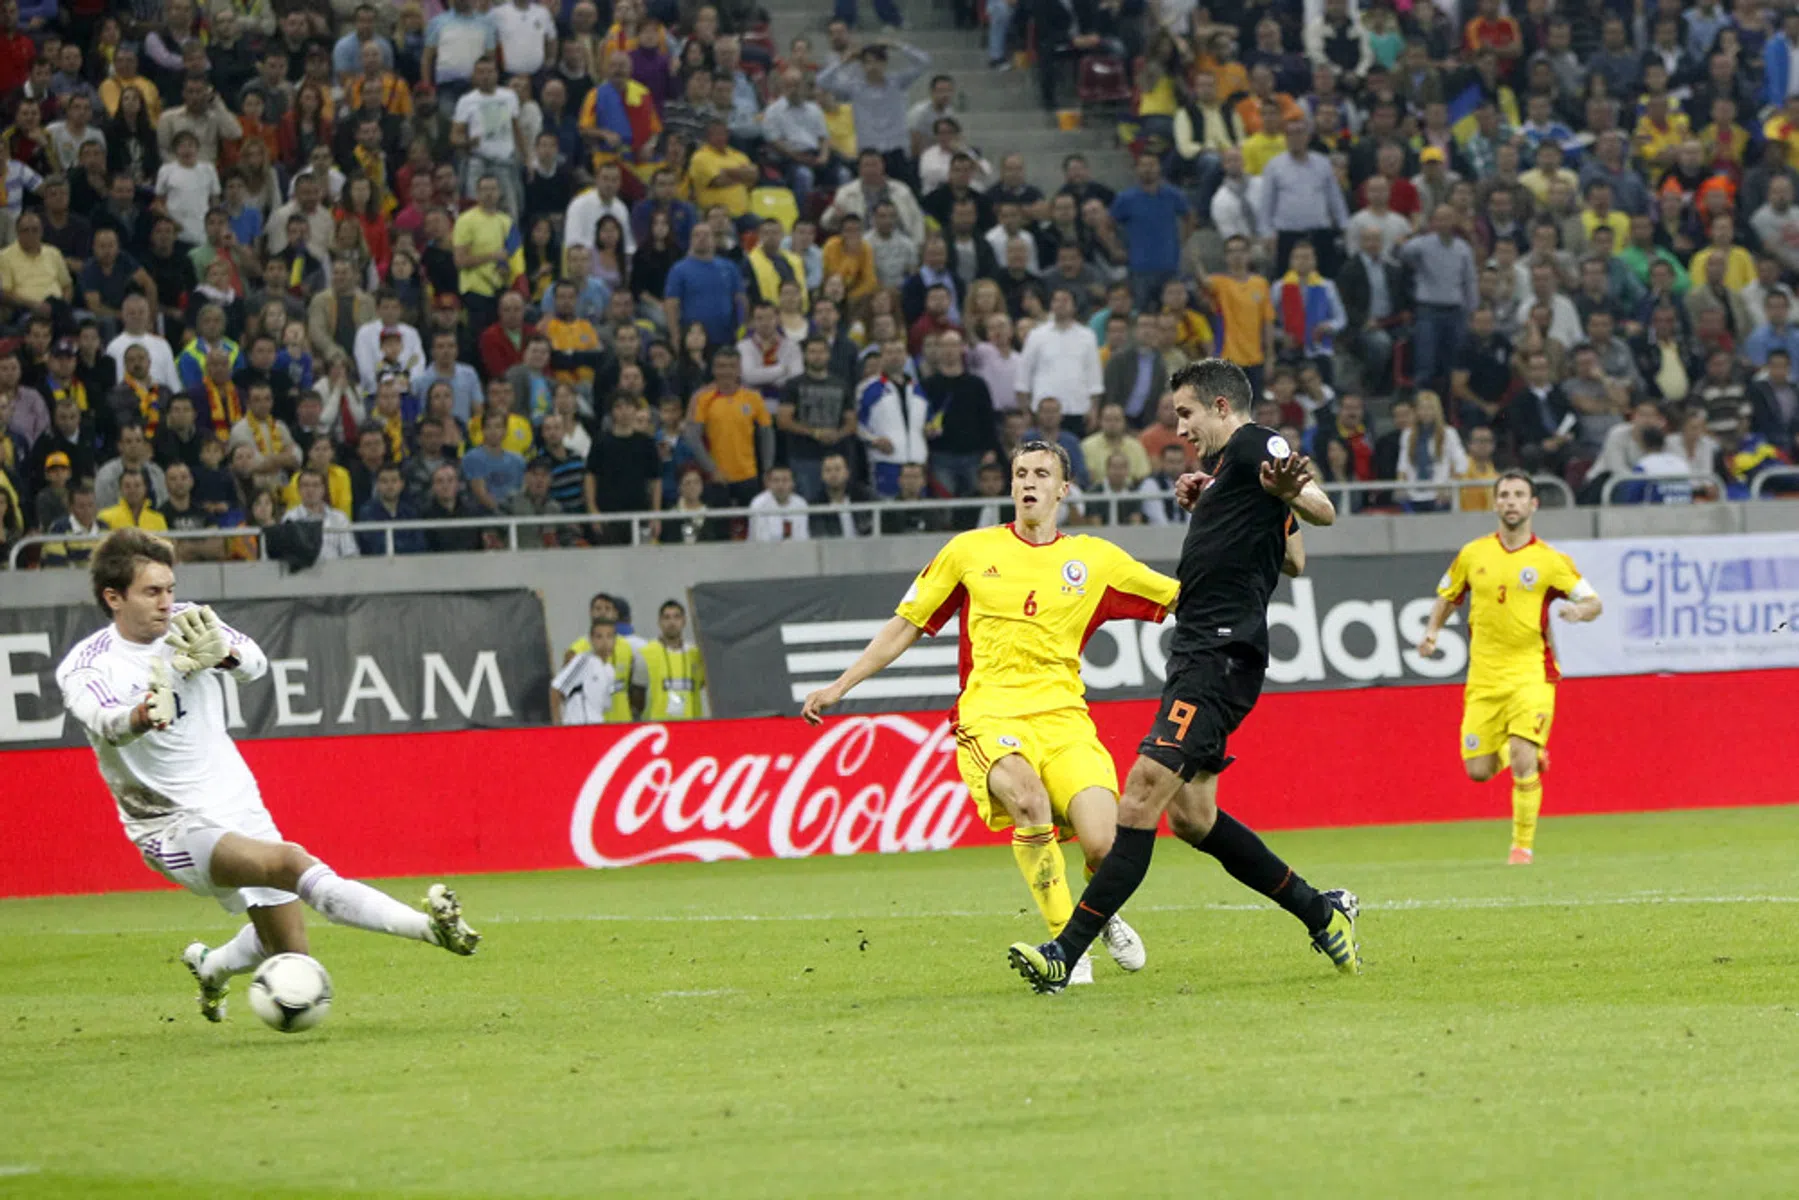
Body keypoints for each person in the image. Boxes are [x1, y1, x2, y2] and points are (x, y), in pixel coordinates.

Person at [1008, 359, 1359, 994]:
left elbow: (1322, 510)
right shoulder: (1231, 473)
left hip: (1219, 656)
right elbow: (1297, 559)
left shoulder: (1257, 444)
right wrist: (1225, 499)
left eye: (1187, 414)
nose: (1180, 428)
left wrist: (1288, 492)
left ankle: (1063, 952)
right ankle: (1320, 911)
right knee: (1193, 818)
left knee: (1138, 797)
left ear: (1222, 407)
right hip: (1202, 654)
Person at [55, 530, 478, 1022]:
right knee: (289, 863)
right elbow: (107, 720)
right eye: (152, 592)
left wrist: (223, 654)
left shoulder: (189, 623)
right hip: (168, 822)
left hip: (237, 802)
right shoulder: (86, 666)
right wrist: (145, 713)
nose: (167, 602)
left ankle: (211, 968)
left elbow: (253, 663)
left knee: (292, 956)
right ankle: (431, 929)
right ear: (114, 597)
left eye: (170, 588)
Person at [802, 439, 1168, 986]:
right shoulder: (969, 552)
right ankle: (1069, 949)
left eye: (1042, 473)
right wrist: (841, 684)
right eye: (1021, 472)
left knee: (1104, 845)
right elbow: (907, 623)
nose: (1028, 482)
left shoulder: (1096, 559)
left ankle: (1100, 912)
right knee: (1029, 800)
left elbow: (1183, 596)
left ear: (1063, 488)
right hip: (991, 716)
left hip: (1065, 720)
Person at [1417, 474, 1604, 863]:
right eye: (1504, 495)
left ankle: (1522, 846)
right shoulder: (1473, 554)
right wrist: (1432, 632)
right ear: (1495, 504)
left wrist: (1577, 611)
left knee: (1521, 754)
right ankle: (1527, 750)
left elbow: (1593, 602)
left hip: (1531, 674)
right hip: (1484, 679)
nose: (1511, 502)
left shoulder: (1550, 561)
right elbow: (1447, 596)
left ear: (1533, 504)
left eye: (1519, 495)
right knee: (1478, 770)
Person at [552, 615, 637, 724]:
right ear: (591, 639)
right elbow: (556, 690)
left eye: (609, 636)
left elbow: (604, 705)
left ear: (615, 640)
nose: (605, 642)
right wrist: (557, 725)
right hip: (578, 726)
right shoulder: (583, 660)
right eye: (599, 637)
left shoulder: (610, 671)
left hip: (597, 726)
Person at [633, 600, 706, 721]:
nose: (672, 622)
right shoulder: (646, 653)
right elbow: (637, 696)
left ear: (684, 621)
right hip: (658, 727)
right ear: (659, 622)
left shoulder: (696, 655)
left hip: (692, 727)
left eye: (676, 617)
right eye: (667, 617)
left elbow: (703, 685)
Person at [748, 463, 810, 541]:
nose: (780, 485)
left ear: (793, 483)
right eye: (776, 480)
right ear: (768, 483)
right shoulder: (758, 504)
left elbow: (803, 538)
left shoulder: (801, 504)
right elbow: (760, 540)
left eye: (785, 480)